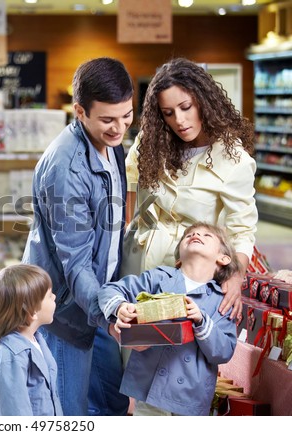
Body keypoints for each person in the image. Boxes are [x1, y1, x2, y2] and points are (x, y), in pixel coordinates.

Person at [22, 57, 133, 416]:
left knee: (112, 403)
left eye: (127, 115)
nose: (119, 129)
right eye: (107, 119)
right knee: (68, 410)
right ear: (80, 112)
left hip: (98, 302)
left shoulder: (111, 143)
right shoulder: (66, 169)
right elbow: (76, 262)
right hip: (64, 312)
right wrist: (111, 309)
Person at [124, 57, 258, 321]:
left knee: (177, 350)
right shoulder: (152, 140)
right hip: (139, 262)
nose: (179, 121)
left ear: (203, 102)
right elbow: (129, 181)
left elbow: (242, 230)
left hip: (192, 271)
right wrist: (128, 226)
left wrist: (235, 275)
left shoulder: (233, 159)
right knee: (131, 347)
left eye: (186, 107)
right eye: (168, 113)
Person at [96, 222, 240, 415]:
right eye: (189, 235)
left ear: (223, 258)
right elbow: (109, 290)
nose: (196, 234)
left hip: (190, 402)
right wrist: (120, 307)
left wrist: (201, 321)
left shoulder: (222, 300)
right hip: (150, 395)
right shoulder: (158, 278)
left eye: (207, 236)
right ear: (179, 257)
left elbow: (223, 352)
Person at [0, 264, 62, 416]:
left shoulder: (38, 341)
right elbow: (15, 413)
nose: (55, 297)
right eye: (49, 295)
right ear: (31, 311)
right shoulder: (12, 358)